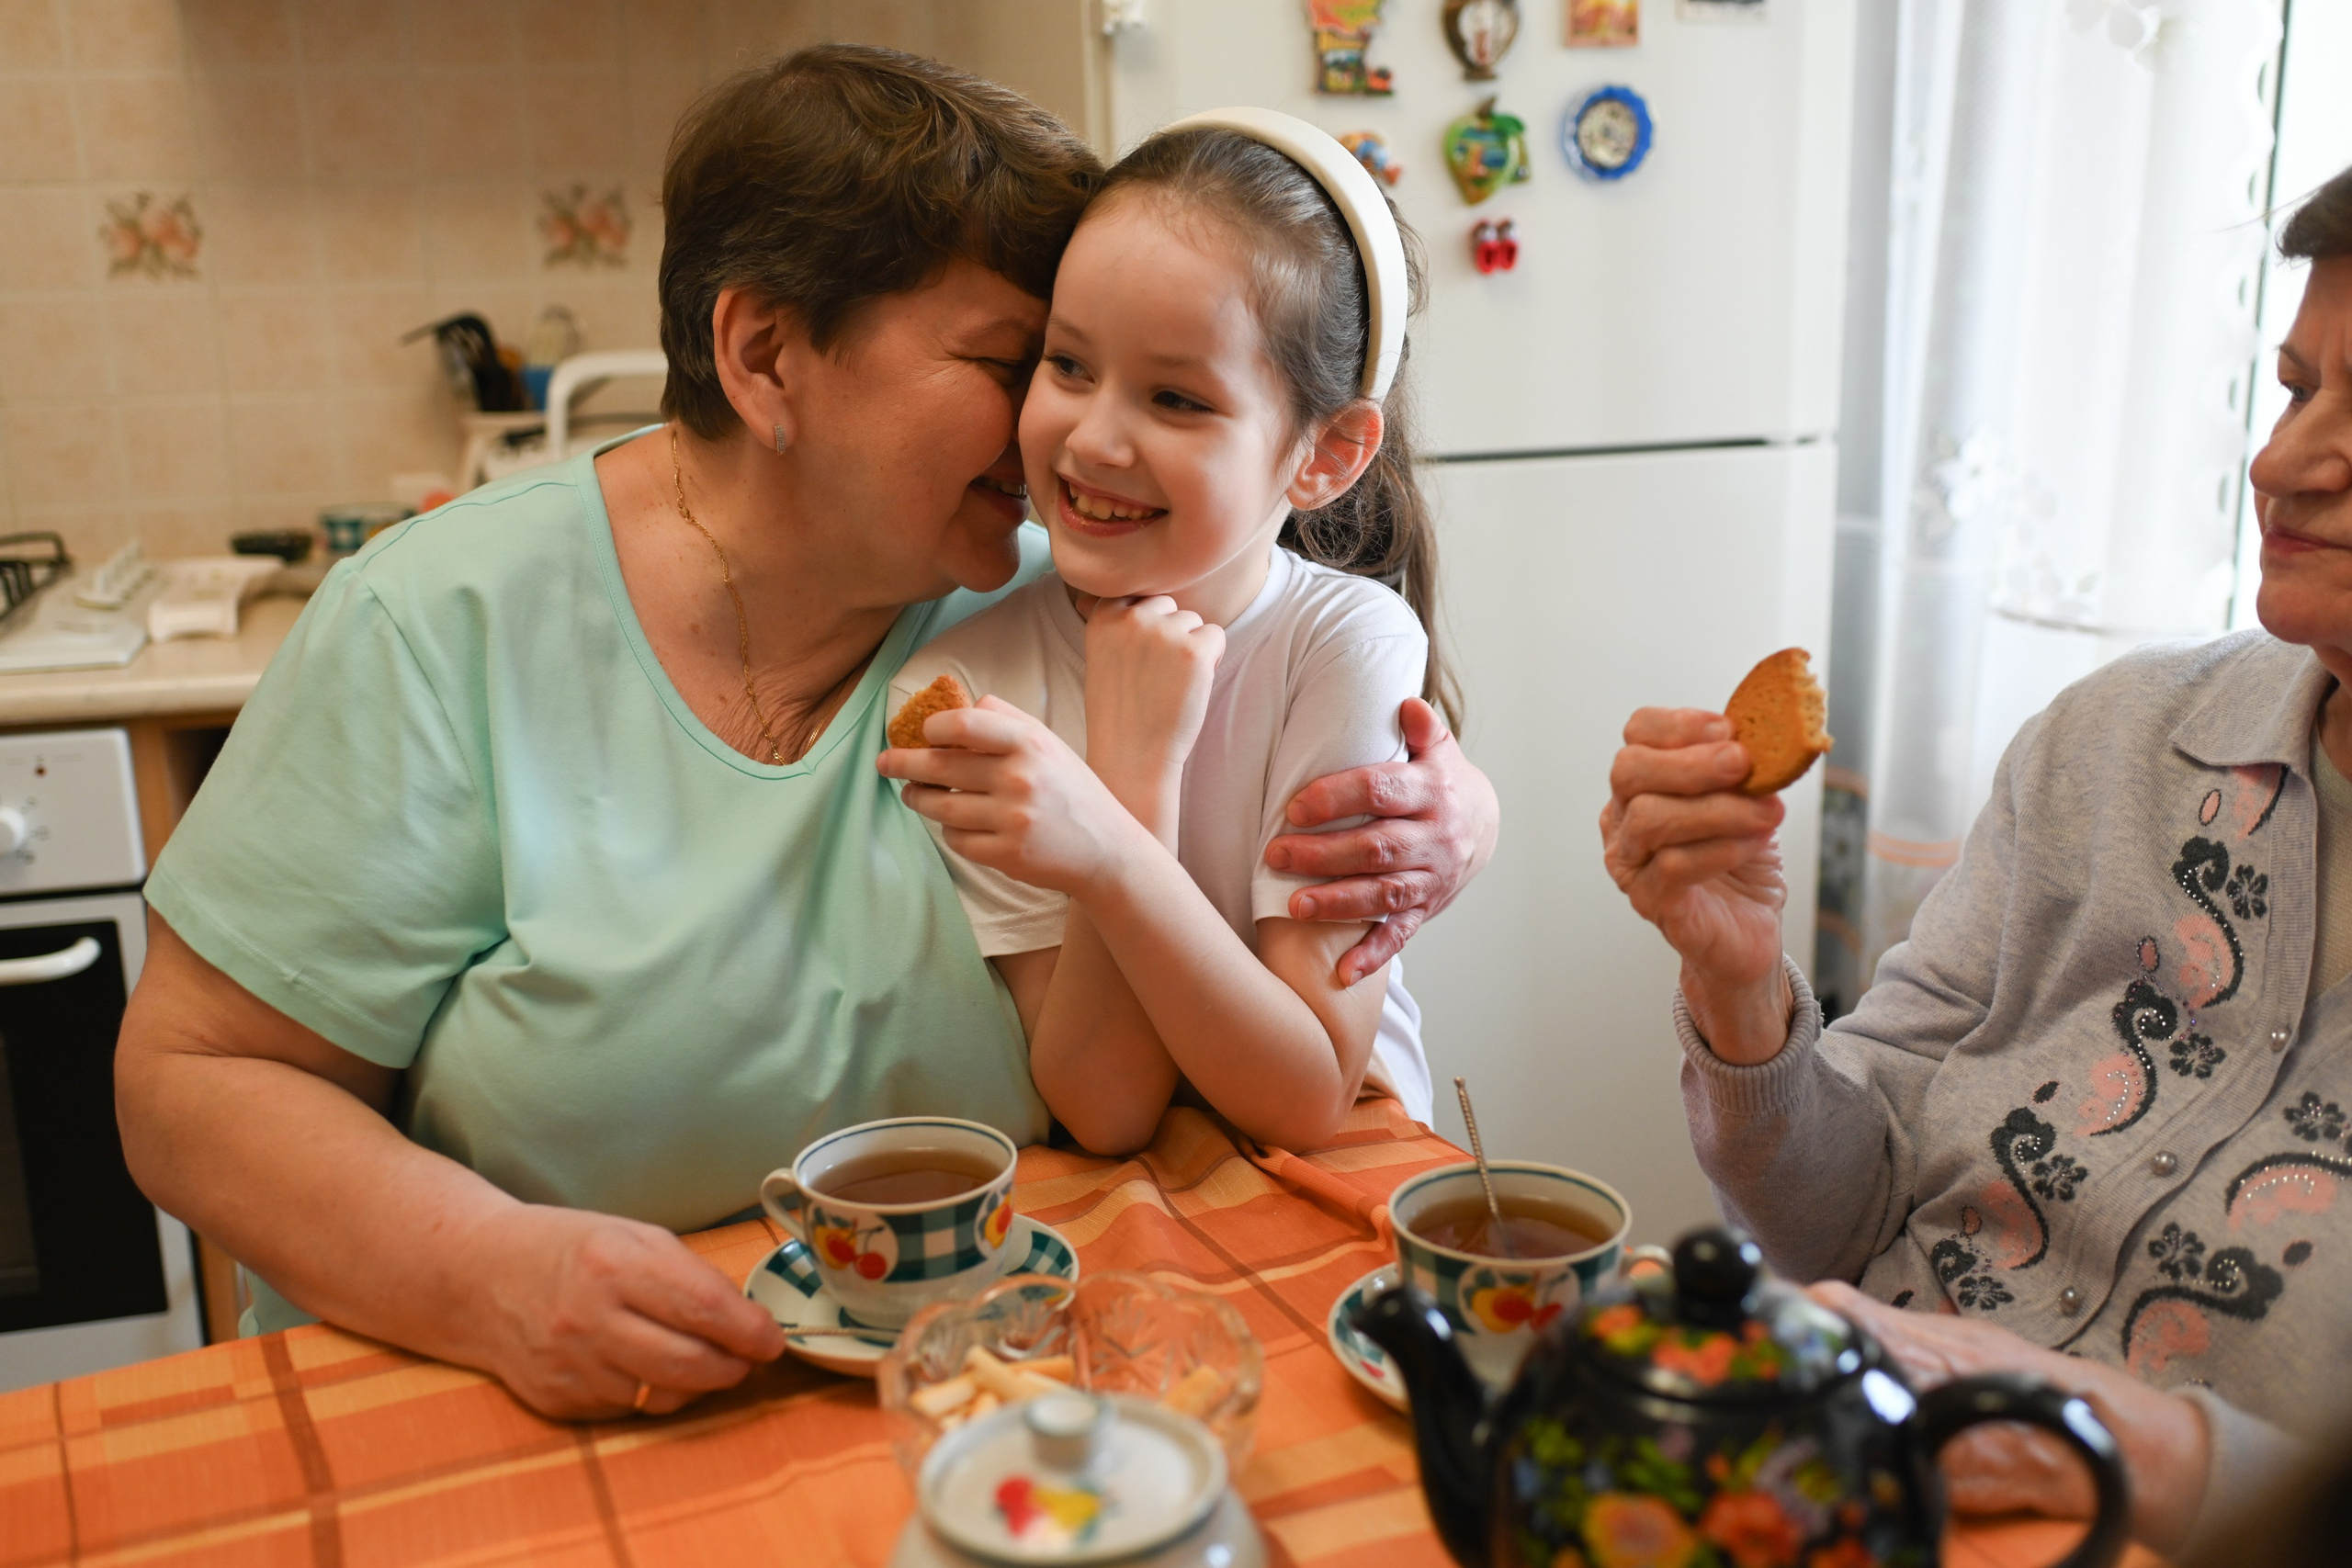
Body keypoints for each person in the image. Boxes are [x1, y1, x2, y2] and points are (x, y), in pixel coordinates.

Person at [113, 47, 1498, 1423]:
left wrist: (1444, 806)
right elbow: (194, 1082)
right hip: (532, 1399)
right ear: (765, 353)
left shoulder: (1059, 587)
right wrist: (487, 1271)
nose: (1057, 438)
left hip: (963, 1383)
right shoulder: (442, 627)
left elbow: (1270, 647)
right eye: (1028, 364)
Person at [1599, 161, 2352, 1558]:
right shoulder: (2114, 743)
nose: (2282, 462)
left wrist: (2149, 1444)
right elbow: (1837, 1219)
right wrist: (1743, 988)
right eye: (2300, 386)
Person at [878, 114, 1441, 1154]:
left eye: (1176, 398)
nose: (1094, 438)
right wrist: (1133, 772)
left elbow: (1309, 1097)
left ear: (1325, 453)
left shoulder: (1345, 646)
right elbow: (1104, 1109)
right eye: (1068, 365)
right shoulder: (964, 682)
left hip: (1344, 1193)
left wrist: (1109, 831)